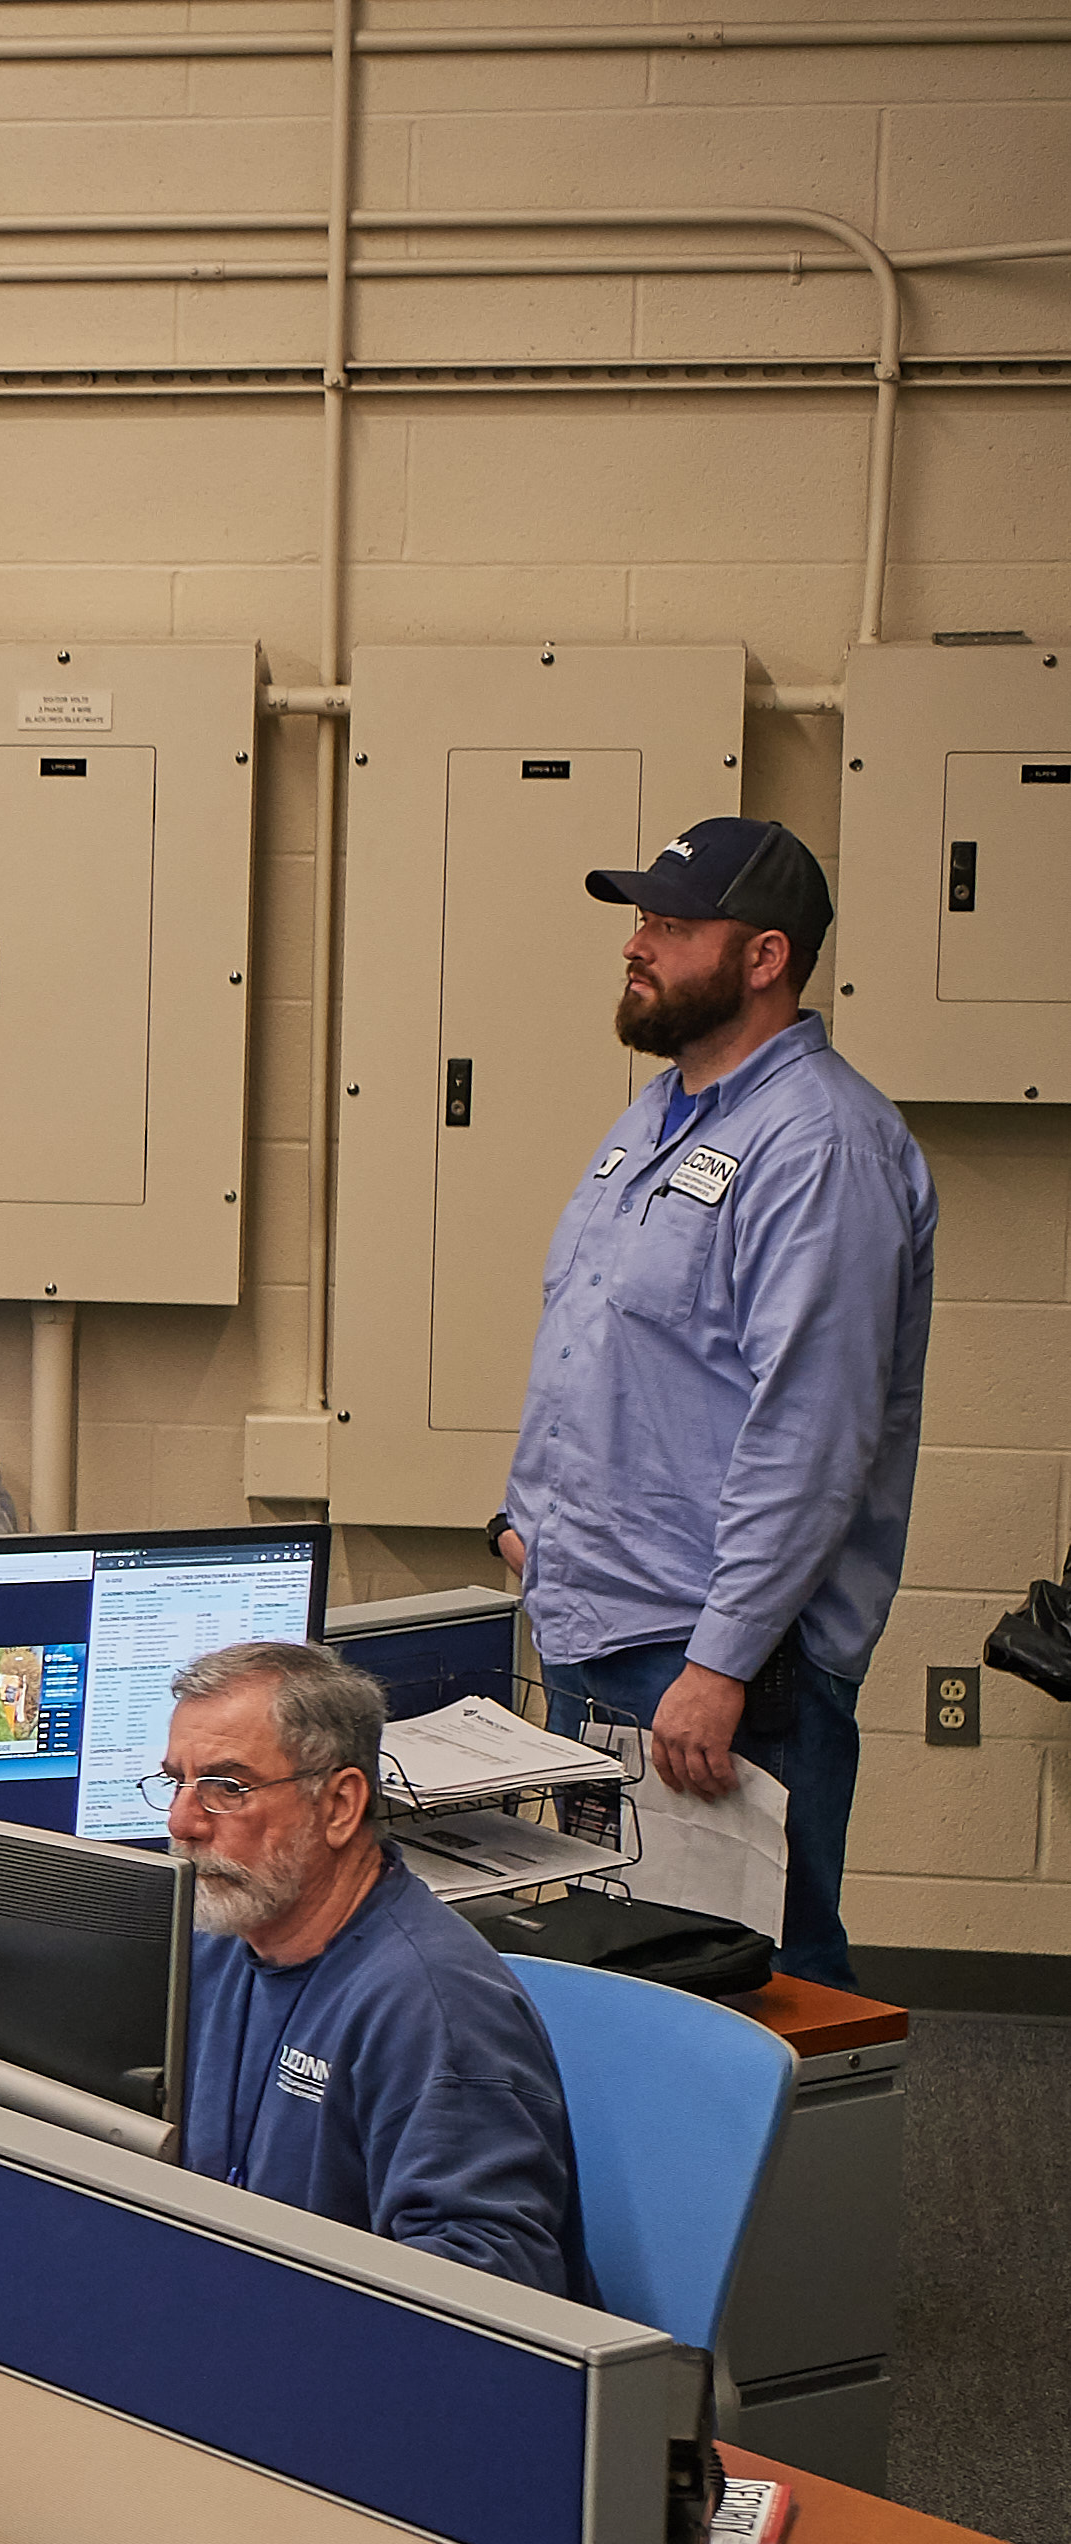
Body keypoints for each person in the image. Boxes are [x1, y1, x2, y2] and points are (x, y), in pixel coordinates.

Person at [494, 814, 934, 1989]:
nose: (637, 944)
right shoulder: (657, 1114)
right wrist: (524, 1514)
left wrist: (723, 1664)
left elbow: (811, 1431)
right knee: (626, 1971)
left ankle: (798, 2184)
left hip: (714, 1663)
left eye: (672, 925)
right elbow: (598, 1339)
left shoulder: (820, 1147)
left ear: (762, 957)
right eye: (639, 919)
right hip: (604, 1628)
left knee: (754, 1989)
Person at [155, 1643, 592, 2303]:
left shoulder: (433, 2008)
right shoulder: (210, 1945)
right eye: (175, 1782)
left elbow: (486, 2301)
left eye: (226, 1788)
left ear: (337, 1806)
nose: (181, 1821)